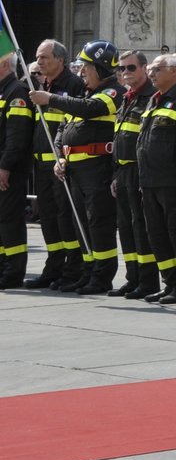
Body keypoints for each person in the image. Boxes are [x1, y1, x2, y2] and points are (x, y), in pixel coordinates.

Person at [29, 41, 125, 295]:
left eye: (87, 67)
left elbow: (90, 110)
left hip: (97, 169)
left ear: (101, 68)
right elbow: (63, 128)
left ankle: (102, 276)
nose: (82, 72)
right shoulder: (86, 92)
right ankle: (87, 271)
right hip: (74, 168)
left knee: (98, 222)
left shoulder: (113, 92)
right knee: (80, 221)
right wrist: (60, 155)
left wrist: (51, 98)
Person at [136, 53, 176, 304]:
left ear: (174, 71)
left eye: (157, 69)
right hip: (149, 180)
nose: (151, 73)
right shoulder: (154, 99)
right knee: (157, 236)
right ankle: (169, 281)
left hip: (172, 180)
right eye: (150, 69)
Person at [25, 40, 86, 289]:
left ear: (60, 60)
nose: (40, 62)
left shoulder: (73, 85)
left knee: (65, 219)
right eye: (38, 58)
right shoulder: (43, 84)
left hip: (62, 165)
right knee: (49, 219)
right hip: (42, 164)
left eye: (45, 58)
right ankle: (54, 266)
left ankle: (73, 269)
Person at [110, 50, 158, 299]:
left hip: (140, 171)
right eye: (122, 69)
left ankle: (148, 281)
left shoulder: (151, 96)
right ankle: (133, 277)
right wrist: (116, 173)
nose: (125, 73)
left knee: (141, 228)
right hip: (123, 170)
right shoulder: (127, 98)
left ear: (144, 68)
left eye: (131, 68)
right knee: (126, 229)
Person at [0, 50, 35, 287]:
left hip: (9, 170)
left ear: (4, 63)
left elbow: (17, 137)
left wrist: (5, 167)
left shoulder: (17, 92)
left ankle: (13, 272)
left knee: (10, 219)